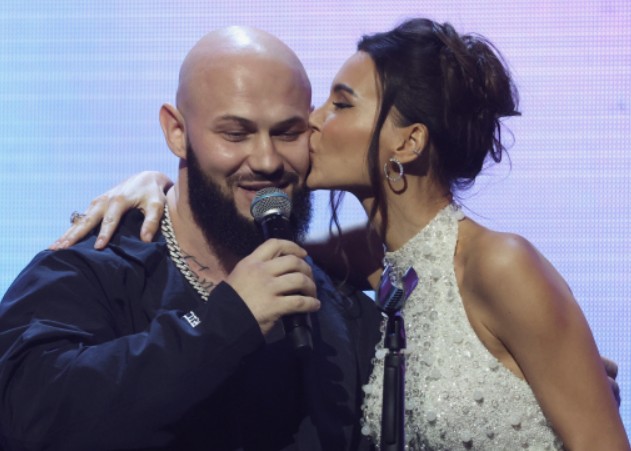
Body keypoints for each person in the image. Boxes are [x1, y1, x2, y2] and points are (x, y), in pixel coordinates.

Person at [57, 18, 630, 450]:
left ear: (407, 142)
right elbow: (222, 231)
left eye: (340, 104)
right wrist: (157, 184)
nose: (311, 121)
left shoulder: (498, 262)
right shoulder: (367, 265)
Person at [0, 26, 383, 450]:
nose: (267, 160)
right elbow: (32, 414)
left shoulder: (339, 309)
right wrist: (226, 320)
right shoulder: (90, 270)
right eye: (235, 134)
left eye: (287, 133)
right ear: (177, 132)